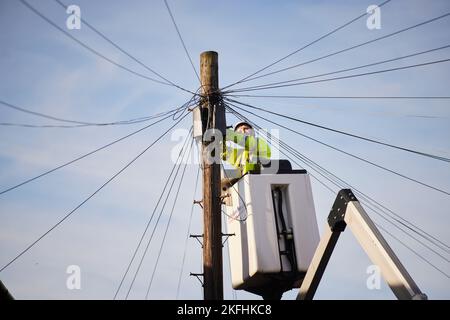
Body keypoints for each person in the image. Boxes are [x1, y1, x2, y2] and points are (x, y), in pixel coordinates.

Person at [221, 121, 271, 189]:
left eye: (246, 128)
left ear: (253, 132)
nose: (243, 131)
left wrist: (226, 133)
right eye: (240, 131)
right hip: (244, 188)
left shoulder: (260, 143)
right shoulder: (240, 155)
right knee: (221, 183)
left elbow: (246, 141)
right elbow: (223, 152)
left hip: (260, 183)